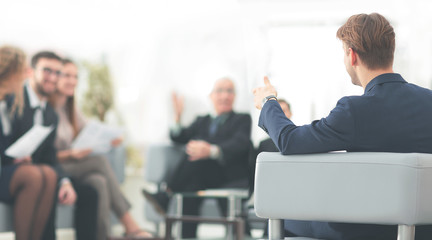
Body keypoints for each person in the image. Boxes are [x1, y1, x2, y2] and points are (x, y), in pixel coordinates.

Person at [253, 13, 432, 239]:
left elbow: (290, 141)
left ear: (352, 55)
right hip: (424, 229)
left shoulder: (354, 109)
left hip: (362, 229)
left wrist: (268, 101)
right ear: (391, 51)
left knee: (283, 216)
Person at [49, 58, 152, 239]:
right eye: (66, 75)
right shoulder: (48, 109)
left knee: (98, 181)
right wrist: (71, 153)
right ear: (55, 77)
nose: (72, 81)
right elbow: (44, 155)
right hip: (56, 167)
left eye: (75, 76)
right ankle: (129, 223)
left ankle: (103, 236)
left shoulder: (70, 109)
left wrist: (110, 138)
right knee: (99, 162)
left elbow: (91, 129)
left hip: (74, 167)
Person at [143, 77, 252, 238]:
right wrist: (177, 117)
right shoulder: (202, 121)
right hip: (202, 176)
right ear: (211, 96)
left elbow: (240, 144)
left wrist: (212, 151)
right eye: (220, 91)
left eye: (229, 91)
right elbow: (179, 137)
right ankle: (188, 236)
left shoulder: (242, 119)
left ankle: (166, 195)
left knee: (194, 157)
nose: (225, 96)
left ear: (234, 96)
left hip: (228, 173)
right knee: (191, 181)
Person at [11, 51, 98, 240]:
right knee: (44, 177)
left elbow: (49, 156)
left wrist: (64, 182)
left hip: (40, 173)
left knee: (57, 179)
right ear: (30, 72)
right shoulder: (13, 100)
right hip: (11, 170)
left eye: (57, 73)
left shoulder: (50, 114)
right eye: (47, 71)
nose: (52, 77)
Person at [0, 45, 57, 240]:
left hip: (4, 167)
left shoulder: (6, 103)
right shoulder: (9, 103)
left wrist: (13, 156)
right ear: (10, 71)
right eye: (23, 70)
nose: (27, 75)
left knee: (49, 174)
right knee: (33, 176)